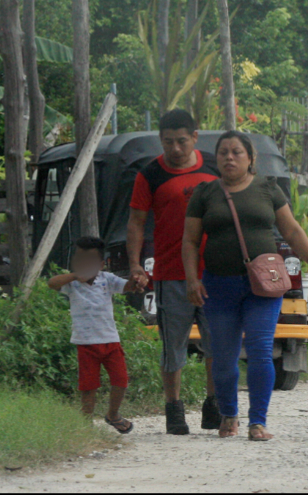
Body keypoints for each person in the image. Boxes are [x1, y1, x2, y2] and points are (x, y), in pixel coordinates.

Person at [182, 130, 308, 442]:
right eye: (223, 152)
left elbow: (292, 231)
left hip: (263, 286)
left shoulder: (268, 189)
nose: (229, 157)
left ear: (251, 158)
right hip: (218, 286)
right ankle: (228, 414)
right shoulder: (205, 193)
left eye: (237, 152)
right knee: (223, 356)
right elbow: (190, 240)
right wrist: (191, 279)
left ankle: (258, 421)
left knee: (261, 350)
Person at [127, 108, 220, 435]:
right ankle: (174, 409)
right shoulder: (150, 174)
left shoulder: (214, 166)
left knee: (216, 343)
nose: (176, 149)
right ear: (160, 140)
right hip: (171, 273)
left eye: (182, 141)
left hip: (215, 274)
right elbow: (136, 223)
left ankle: (214, 405)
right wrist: (136, 264)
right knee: (173, 346)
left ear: (195, 136)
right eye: (168, 142)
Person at [48, 236, 146, 434]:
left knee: (121, 380)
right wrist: (75, 276)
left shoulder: (107, 280)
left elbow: (125, 286)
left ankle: (113, 414)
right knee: (88, 387)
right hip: (85, 343)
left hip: (110, 340)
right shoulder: (72, 284)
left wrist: (136, 282)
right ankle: (86, 425)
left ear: (100, 265)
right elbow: (52, 283)